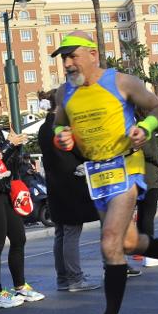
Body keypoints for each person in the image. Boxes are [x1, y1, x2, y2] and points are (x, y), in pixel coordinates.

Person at [51, 31, 158, 314]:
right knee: (129, 241)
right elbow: (60, 123)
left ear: (92, 55)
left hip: (127, 168)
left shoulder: (122, 82)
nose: (67, 63)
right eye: (63, 58)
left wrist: (144, 130)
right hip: (97, 174)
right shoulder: (66, 92)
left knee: (109, 243)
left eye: (72, 55)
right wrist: (62, 136)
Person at [0, 90, 44, 310]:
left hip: (5, 190)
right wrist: (9, 144)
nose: (1, 105)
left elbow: (6, 163)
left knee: (19, 237)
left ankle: (20, 285)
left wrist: (18, 147)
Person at [36, 91, 99, 293]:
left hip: (55, 186)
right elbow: (82, 151)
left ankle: (63, 278)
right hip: (71, 185)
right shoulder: (62, 127)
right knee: (71, 231)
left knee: (61, 233)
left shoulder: (44, 127)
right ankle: (75, 278)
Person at [132, 105, 158, 276]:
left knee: (142, 214)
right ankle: (149, 252)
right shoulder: (144, 127)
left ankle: (140, 248)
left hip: (137, 177)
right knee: (148, 215)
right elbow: (150, 152)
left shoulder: (134, 125)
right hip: (149, 176)